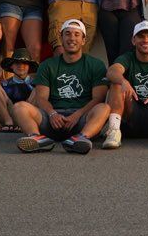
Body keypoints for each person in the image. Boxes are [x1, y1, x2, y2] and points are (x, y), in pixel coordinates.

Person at [12, 18, 110, 154]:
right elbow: (41, 98)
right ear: (61, 38)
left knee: (104, 108)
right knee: (19, 107)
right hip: (52, 119)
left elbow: (98, 98)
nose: (72, 38)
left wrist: (77, 115)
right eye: (67, 34)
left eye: (77, 34)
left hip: (80, 120)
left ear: (83, 40)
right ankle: (37, 138)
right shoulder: (47, 65)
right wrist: (52, 114)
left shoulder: (95, 65)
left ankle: (81, 138)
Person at [100, 20, 148, 149]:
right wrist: (123, 81)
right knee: (116, 84)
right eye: (141, 36)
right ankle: (114, 131)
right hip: (131, 113)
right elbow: (112, 71)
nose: (145, 40)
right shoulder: (127, 57)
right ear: (133, 40)